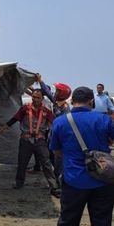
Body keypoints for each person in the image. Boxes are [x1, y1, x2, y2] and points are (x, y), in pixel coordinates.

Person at [50, 86, 114, 225]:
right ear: (91, 102)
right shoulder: (104, 119)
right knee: (102, 221)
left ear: (72, 101)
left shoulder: (60, 122)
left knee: (68, 220)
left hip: (74, 179)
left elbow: (55, 151)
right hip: (103, 178)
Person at [0, 89, 61, 197]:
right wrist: (4, 127)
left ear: (42, 98)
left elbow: (52, 127)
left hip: (40, 140)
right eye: (33, 97)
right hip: (26, 140)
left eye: (37, 97)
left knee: (46, 163)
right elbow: (14, 119)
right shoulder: (25, 108)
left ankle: (54, 187)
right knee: (22, 163)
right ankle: (19, 183)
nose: (35, 99)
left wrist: (55, 140)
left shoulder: (47, 111)